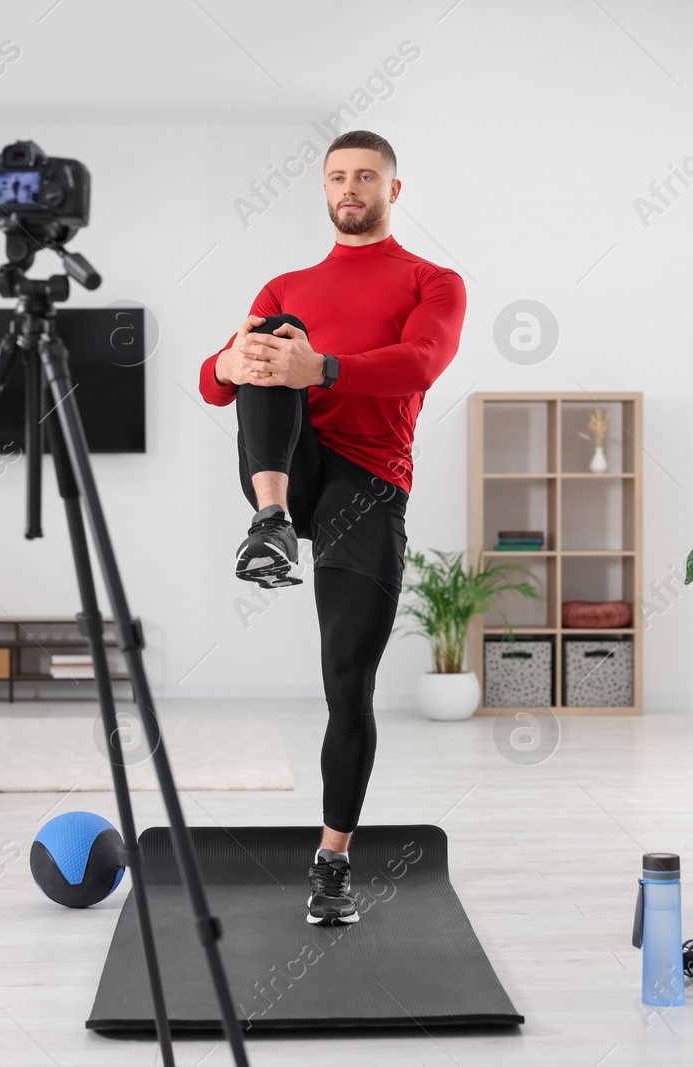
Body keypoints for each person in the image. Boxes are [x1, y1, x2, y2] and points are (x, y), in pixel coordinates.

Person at [198, 129, 466, 925]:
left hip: (371, 487)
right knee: (267, 341)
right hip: (294, 465)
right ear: (323, 190)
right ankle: (271, 520)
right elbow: (216, 385)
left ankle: (332, 860)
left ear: (392, 188)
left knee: (347, 687)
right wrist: (231, 359)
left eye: (366, 176)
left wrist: (328, 368)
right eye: (337, 177)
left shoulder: (433, 280)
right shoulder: (287, 285)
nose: (350, 187)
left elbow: (421, 362)